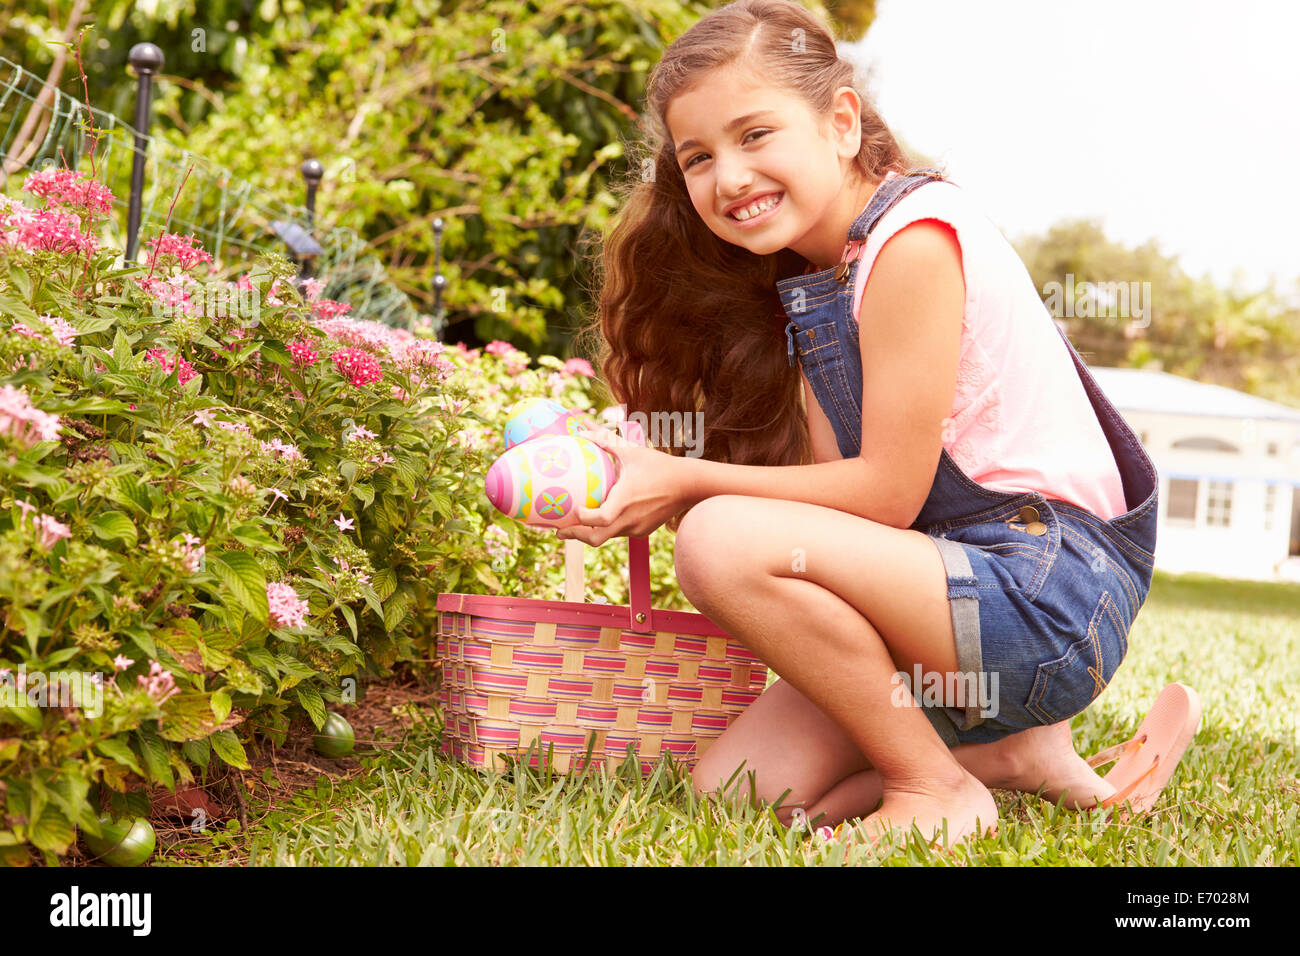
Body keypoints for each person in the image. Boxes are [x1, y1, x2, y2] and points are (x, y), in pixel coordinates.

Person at [560, 0, 1200, 847]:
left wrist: (689, 484)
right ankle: (1008, 754)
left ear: (840, 120)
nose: (729, 177)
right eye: (699, 157)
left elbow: (889, 495)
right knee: (738, 791)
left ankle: (931, 786)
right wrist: (649, 472)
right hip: (945, 609)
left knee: (716, 541)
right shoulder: (821, 279)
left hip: (1045, 593)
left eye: (755, 135)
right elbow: (828, 508)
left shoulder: (914, 244)